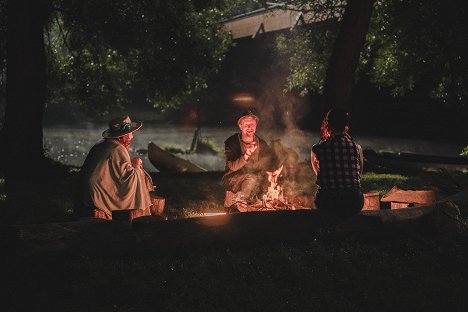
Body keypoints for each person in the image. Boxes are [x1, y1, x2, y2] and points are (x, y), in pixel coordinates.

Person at [79, 115, 155, 219]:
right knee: (138, 174)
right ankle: (136, 219)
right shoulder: (117, 148)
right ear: (122, 135)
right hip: (96, 195)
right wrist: (137, 165)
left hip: (86, 192)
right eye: (130, 133)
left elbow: (117, 169)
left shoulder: (103, 143)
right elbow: (128, 178)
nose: (132, 137)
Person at [311, 108, 364, 220]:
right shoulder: (357, 148)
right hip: (354, 202)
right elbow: (359, 173)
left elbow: (318, 173)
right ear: (346, 125)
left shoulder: (317, 149)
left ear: (327, 124)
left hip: (328, 202)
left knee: (323, 195)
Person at [222, 110, 277, 212]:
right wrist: (246, 155)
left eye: (252, 124)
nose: (249, 127)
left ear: (256, 126)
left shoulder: (261, 144)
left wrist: (276, 171)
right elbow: (232, 166)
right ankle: (240, 202)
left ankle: (257, 206)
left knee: (263, 181)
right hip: (233, 178)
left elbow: (272, 160)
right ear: (240, 126)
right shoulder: (231, 142)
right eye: (246, 125)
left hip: (255, 178)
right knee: (251, 178)